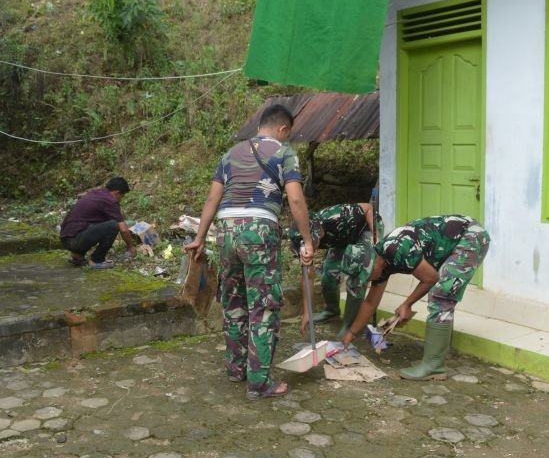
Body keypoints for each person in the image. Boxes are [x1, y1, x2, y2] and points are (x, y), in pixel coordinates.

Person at [185, 104, 314, 401]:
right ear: (283, 129)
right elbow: (295, 199)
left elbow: (212, 197)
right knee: (264, 306)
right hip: (259, 230)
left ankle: (236, 368)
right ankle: (258, 383)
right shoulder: (284, 152)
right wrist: (307, 239)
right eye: (288, 133)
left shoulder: (230, 154)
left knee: (233, 302)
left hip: (226, 232)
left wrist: (200, 237)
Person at [341, 215, 491, 380]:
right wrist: (351, 333)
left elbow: (430, 278)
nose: (367, 279)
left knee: (442, 294)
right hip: (452, 242)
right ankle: (438, 351)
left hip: (470, 237)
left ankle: (434, 366)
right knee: (443, 291)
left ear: (373, 261)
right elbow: (370, 302)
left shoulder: (396, 250)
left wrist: (407, 304)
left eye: (366, 275)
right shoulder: (380, 263)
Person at [287, 203, 383, 339]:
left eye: (312, 242)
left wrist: (376, 237)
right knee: (329, 274)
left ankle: (349, 325)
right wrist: (307, 312)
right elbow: (307, 275)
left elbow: (368, 208)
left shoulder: (336, 216)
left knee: (357, 273)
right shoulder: (304, 240)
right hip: (341, 239)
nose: (310, 247)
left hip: (365, 229)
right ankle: (332, 310)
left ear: (318, 232)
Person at [60, 177, 137, 270]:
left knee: (100, 223)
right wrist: (131, 247)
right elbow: (123, 229)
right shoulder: (110, 201)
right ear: (117, 193)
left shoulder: (96, 193)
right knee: (113, 225)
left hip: (65, 238)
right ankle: (96, 261)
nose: (121, 199)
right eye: (122, 196)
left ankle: (78, 255)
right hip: (75, 240)